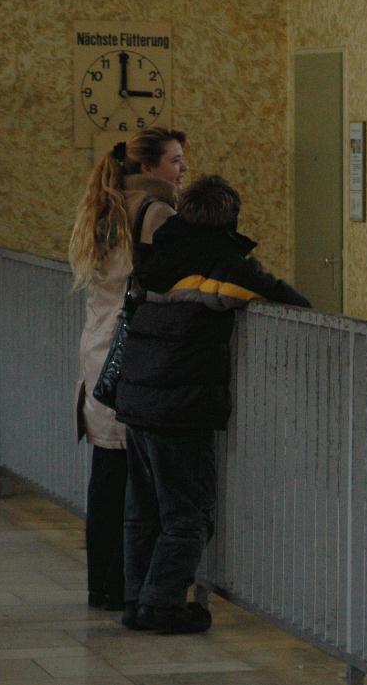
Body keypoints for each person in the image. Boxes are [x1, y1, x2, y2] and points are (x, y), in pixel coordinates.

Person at [115, 174, 310, 633]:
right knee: (189, 515)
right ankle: (160, 606)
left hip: (138, 396)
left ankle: (135, 599)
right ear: (230, 219)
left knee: (143, 510)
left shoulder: (156, 255)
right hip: (181, 402)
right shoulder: (226, 264)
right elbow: (294, 302)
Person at [68, 128, 188, 612]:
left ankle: (105, 583)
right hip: (130, 354)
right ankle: (126, 583)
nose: (182, 170)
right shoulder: (153, 213)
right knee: (131, 479)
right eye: (175, 160)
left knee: (107, 474)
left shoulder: (106, 207)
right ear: (148, 167)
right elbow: (175, 276)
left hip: (99, 350)